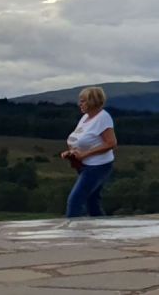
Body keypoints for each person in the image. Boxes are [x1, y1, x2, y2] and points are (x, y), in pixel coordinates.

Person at [60, 86, 117, 218]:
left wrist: (85, 154)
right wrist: (71, 152)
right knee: (92, 202)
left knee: (75, 200)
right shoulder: (85, 118)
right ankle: (101, 231)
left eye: (83, 101)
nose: (80, 104)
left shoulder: (103, 117)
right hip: (85, 166)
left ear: (93, 101)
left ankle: (72, 232)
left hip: (97, 166)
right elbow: (80, 139)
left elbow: (111, 143)